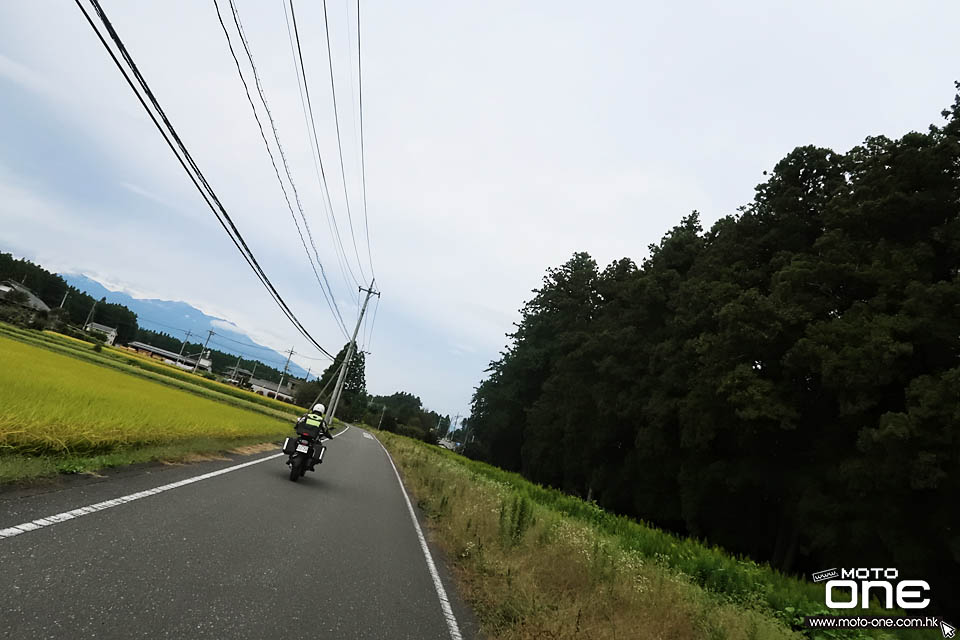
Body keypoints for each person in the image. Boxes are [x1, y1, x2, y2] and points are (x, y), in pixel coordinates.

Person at [296, 403, 333, 470]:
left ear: (314, 409)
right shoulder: (321, 420)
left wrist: (296, 427)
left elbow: (299, 423)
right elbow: (325, 430)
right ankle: (311, 464)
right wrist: (329, 436)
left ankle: (293, 455)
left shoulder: (306, 416)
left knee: (295, 442)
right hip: (312, 439)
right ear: (322, 411)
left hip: (302, 436)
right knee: (318, 447)